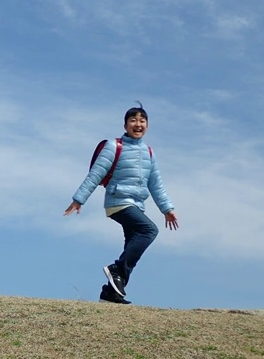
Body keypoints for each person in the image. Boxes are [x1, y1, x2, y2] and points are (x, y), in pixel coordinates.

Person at [63, 102, 178, 304]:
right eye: (133, 120)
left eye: (142, 120)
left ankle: (111, 293)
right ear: (125, 125)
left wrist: (167, 209)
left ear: (147, 125)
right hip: (118, 202)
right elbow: (95, 174)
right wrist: (78, 199)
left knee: (131, 249)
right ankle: (116, 269)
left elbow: (156, 183)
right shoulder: (114, 146)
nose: (138, 124)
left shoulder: (149, 153)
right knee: (149, 231)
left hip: (137, 205)